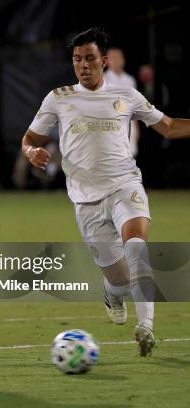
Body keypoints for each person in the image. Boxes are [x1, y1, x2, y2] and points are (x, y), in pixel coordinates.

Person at [21, 27, 190, 357]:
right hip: (86, 201)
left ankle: (146, 328)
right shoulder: (59, 98)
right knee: (120, 280)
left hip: (125, 185)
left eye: (90, 59)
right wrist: (31, 153)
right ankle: (112, 293)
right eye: (77, 60)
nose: (83, 65)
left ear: (105, 60)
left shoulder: (126, 95)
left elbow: (167, 126)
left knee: (138, 248)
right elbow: (29, 139)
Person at [104, 47, 139, 156]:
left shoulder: (130, 80)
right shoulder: (103, 80)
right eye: (113, 58)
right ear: (107, 61)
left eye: (118, 57)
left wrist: (136, 127)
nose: (116, 60)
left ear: (123, 60)